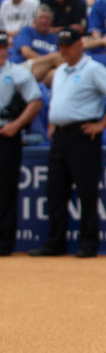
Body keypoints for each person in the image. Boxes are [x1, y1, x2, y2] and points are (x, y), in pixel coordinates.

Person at [29, 26, 106, 259]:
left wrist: (101, 124)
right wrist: (53, 123)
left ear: (80, 45)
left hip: (83, 134)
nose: (64, 50)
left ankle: (88, 243)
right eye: (61, 46)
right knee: (55, 190)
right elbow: (57, 99)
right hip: (60, 136)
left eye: (68, 46)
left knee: (86, 190)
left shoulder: (93, 68)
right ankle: (55, 242)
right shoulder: (60, 70)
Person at [0, 29, 43, 257]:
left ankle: (4, 243)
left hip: (7, 133)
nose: (0, 52)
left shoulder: (18, 73)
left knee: (5, 190)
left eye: (3, 47)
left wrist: (16, 125)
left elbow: (35, 102)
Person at [13, 2, 62, 84]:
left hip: (43, 73)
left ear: (51, 22)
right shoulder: (27, 30)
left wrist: (47, 64)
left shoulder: (54, 38)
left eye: (47, 18)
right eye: (41, 17)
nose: (44, 21)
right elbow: (26, 52)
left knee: (56, 74)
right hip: (24, 69)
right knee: (55, 57)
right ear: (35, 19)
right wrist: (49, 61)